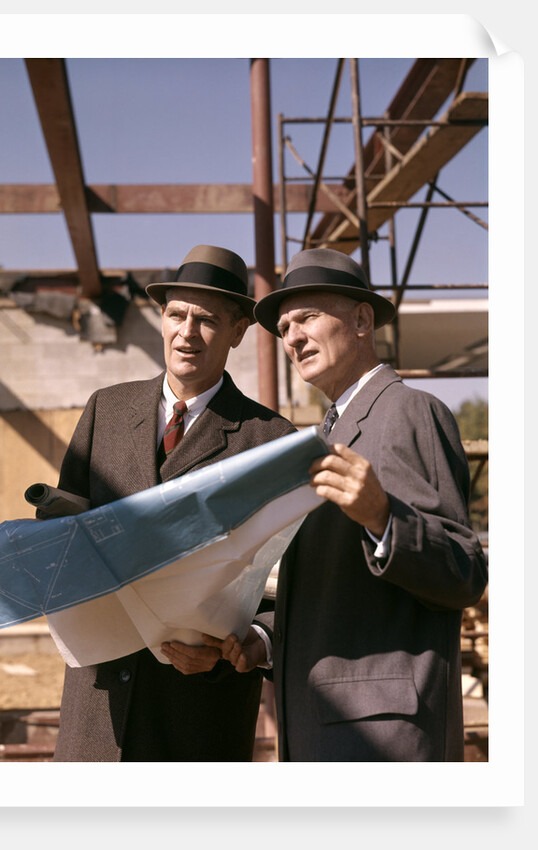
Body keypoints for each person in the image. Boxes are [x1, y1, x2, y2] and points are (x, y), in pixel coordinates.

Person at [206, 247, 488, 762]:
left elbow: (465, 572)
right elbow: (329, 589)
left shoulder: (410, 412)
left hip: (385, 739)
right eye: (284, 327)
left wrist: (384, 517)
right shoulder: (324, 435)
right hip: (320, 723)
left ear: (361, 319)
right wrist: (264, 639)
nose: (292, 337)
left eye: (307, 317)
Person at [45, 244, 295, 762]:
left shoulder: (270, 441)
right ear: (160, 318)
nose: (187, 332)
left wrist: (244, 645)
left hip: (198, 712)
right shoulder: (105, 411)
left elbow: (292, 579)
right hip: (100, 706)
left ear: (239, 331)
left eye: (206, 320)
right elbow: (60, 529)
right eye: (176, 314)